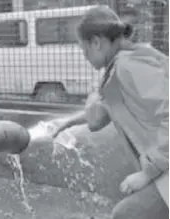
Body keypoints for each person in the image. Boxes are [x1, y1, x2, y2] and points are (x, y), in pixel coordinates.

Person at [50, 5, 169, 219]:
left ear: (96, 42)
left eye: (83, 49)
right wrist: (65, 124)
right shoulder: (124, 63)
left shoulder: (127, 67)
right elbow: (99, 115)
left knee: (127, 214)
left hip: (164, 163)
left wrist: (147, 173)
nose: (85, 57)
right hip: (164, 162)